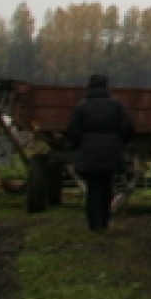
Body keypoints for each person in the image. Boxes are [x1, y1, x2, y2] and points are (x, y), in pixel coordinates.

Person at [62, 73, 133, 232]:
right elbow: (128, 127)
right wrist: (120, 142)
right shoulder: (117, 106)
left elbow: (73, 130)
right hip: (111, 152)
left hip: (89, 152)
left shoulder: (82, 106)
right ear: (106, 86)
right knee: (107, 187)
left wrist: (79, 144)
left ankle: (94, 224)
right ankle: (104, 222)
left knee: (93, 188)